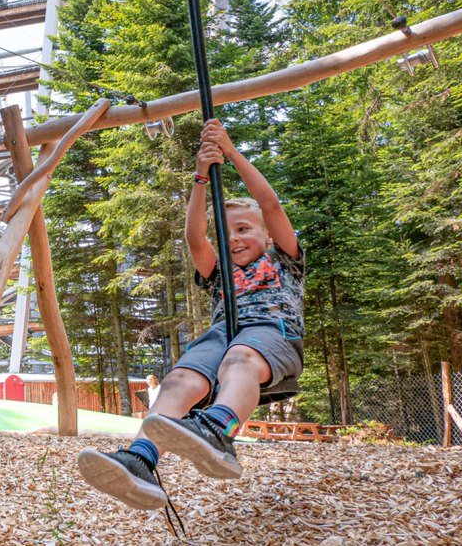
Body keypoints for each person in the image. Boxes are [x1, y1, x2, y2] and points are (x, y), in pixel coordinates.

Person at [78, 119, 305, 510]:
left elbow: (269, 204)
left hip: (271, 331)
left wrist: (230, 153)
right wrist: (201, 177)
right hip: (222, 334)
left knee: (241, 358)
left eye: (244, 229)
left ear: (267, 236)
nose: (233, 238)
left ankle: (219, 430)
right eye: (227, 232)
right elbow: (194, 238)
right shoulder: (218, 271)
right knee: (179, 380)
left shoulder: (285, 260)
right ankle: (140, 459)